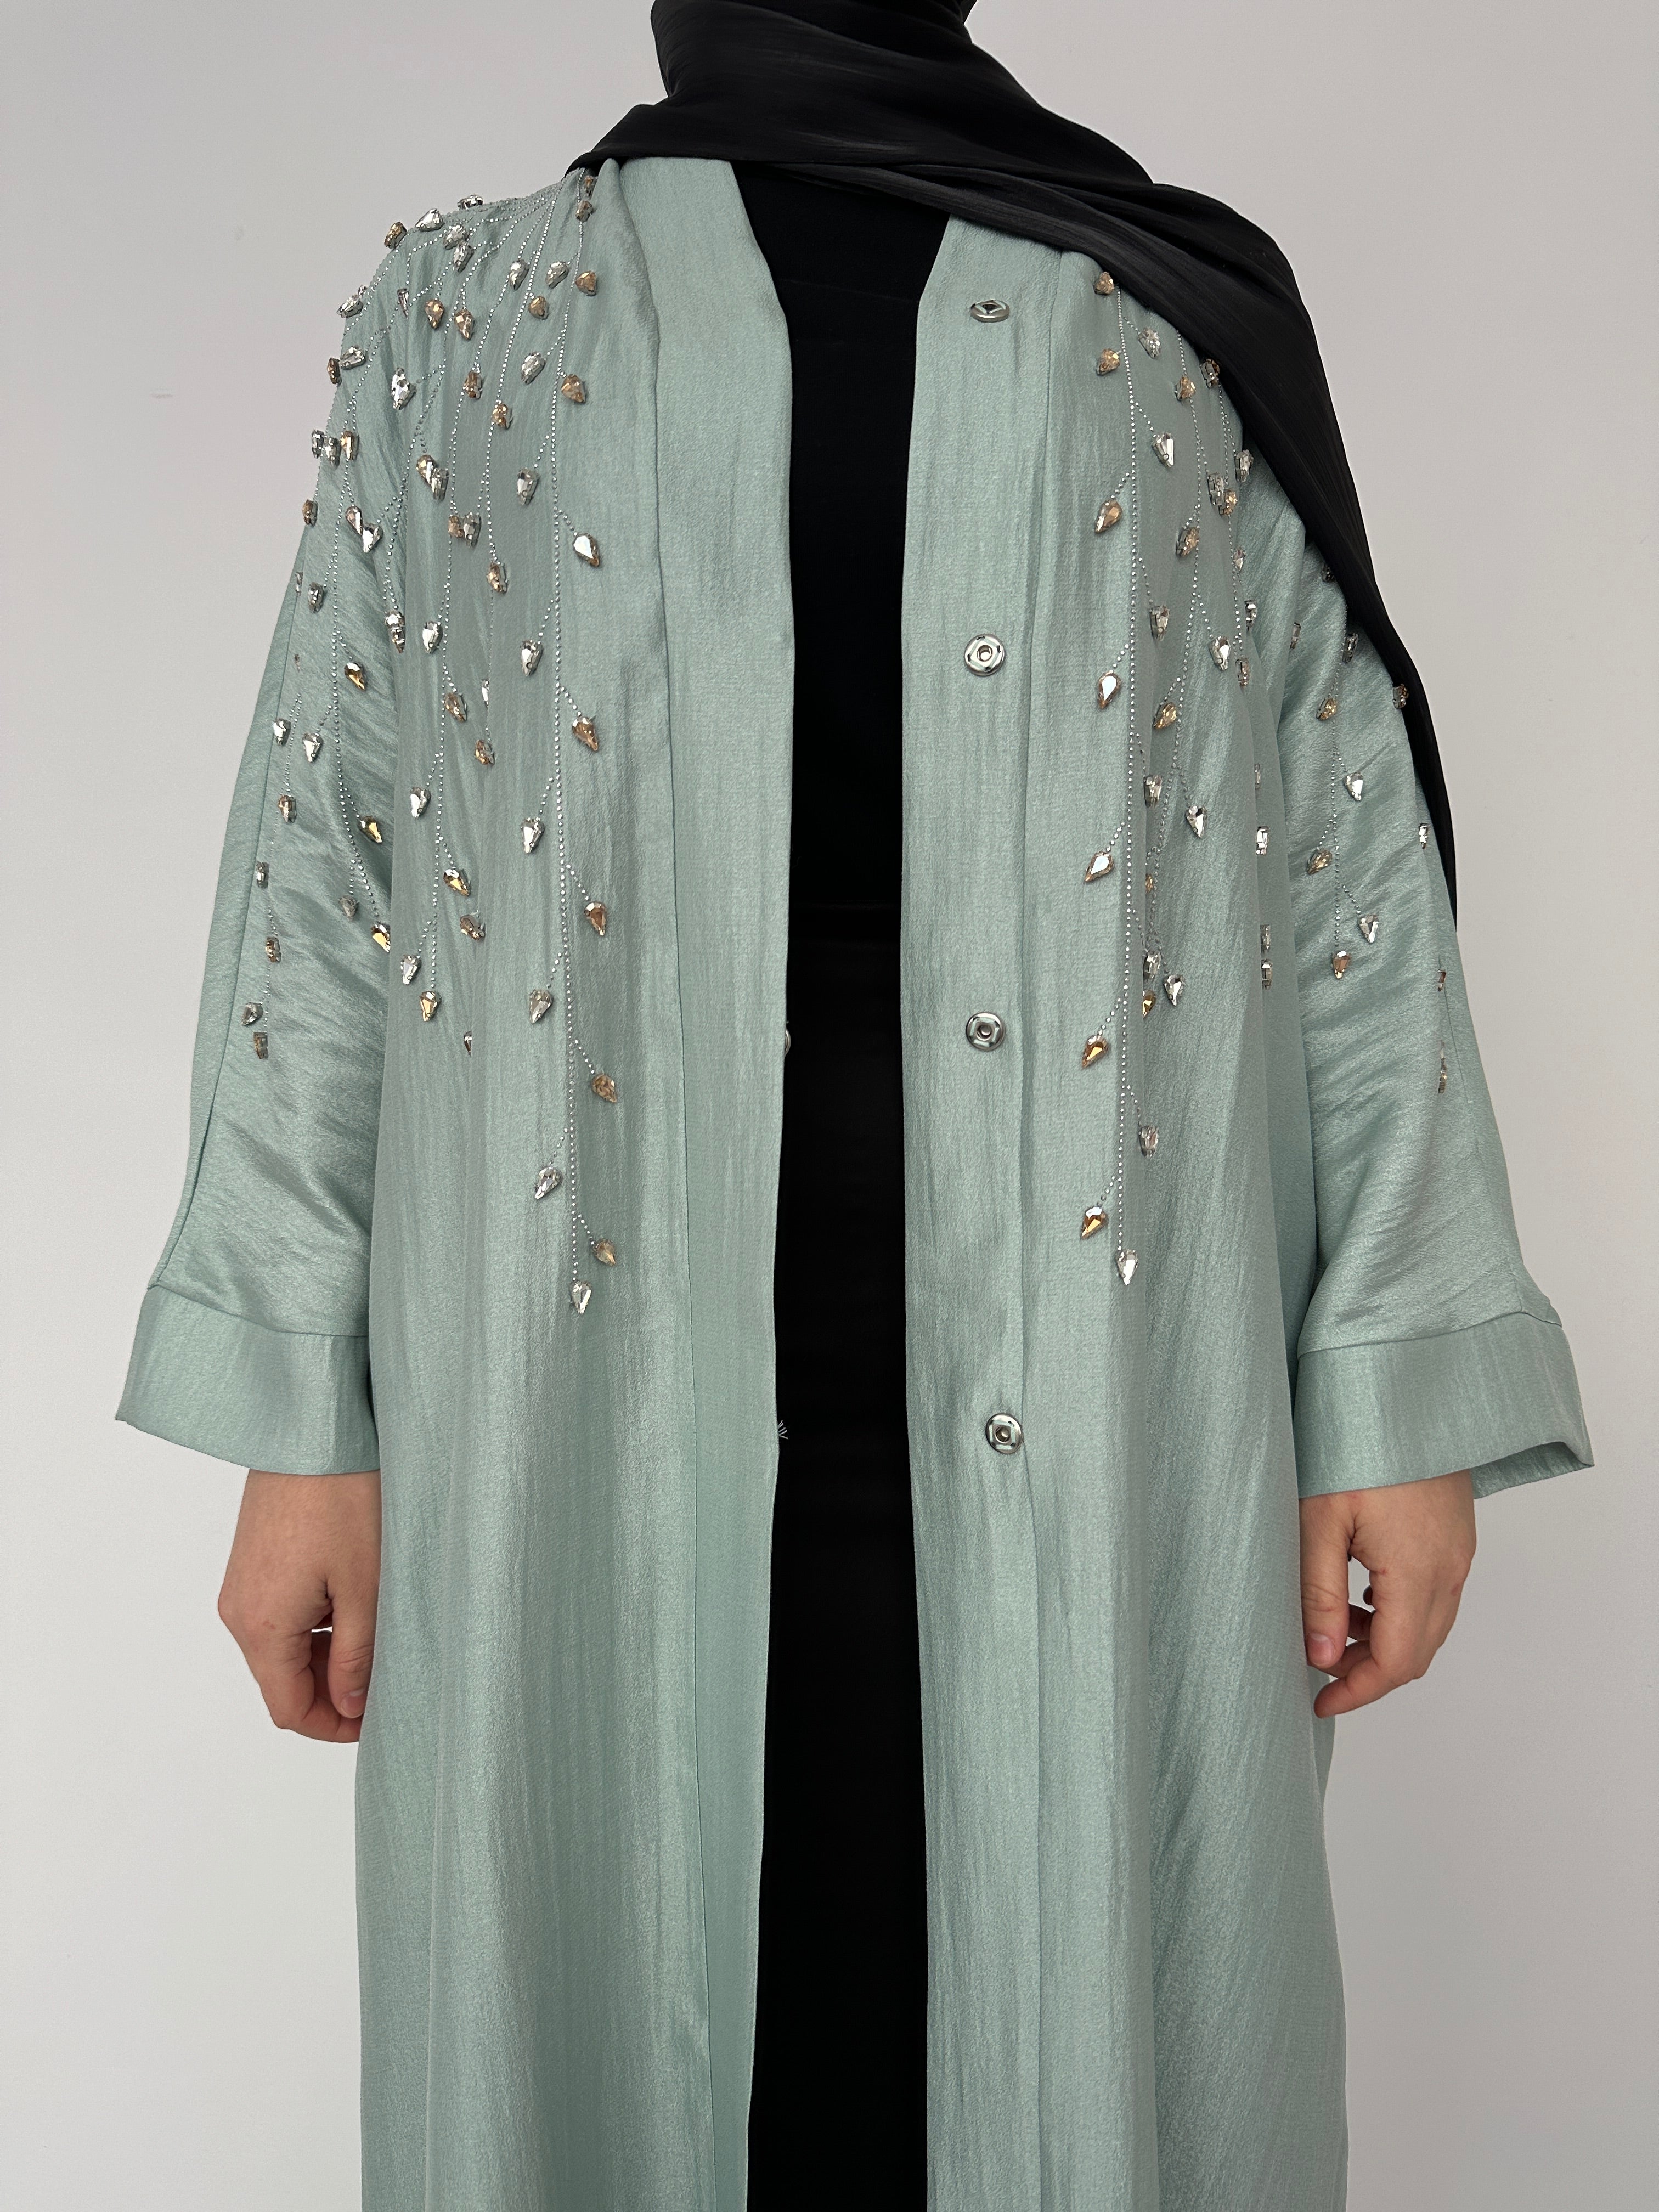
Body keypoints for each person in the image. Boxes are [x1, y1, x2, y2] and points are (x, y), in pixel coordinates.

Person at [118, 2, 1592, 2204]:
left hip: (1097, 1384)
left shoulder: (1166, 319)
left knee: (1069, 2015)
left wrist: (1391, 1383)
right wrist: (299, 1419)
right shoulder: (469, 314)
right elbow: (331, 866)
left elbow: (1345, 871)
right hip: (572, 1402)